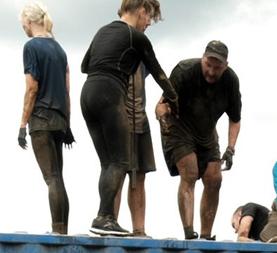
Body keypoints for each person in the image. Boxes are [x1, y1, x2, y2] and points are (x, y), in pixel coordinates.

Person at [81, 0, 176, 237]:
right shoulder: (136, 37)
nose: (148, 23)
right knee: (121, 161)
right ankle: (104, 217)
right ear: (142, 10)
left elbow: (84, 65)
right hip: (110, 93)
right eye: (149, 17)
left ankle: (104, 218)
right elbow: (159, 73)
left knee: (107, 162)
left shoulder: (102, 31)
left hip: (88, 94)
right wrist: (174, 98)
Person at [160, 40, 241, 239]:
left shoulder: (230, 81)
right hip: (179, 126)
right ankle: (189, 233)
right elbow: (161, 105)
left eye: (217, 68)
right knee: (190, 171)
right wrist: (161, 115)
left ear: (225, 66)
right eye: (208, 65)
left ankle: (206, 236)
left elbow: (235, 119)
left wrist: (230, 149)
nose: (211, 72)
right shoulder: (184, 70)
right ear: (202, 59)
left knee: (215, 178)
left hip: (207, 131)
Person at [18, 3, 74, 235]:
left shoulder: (31, 47)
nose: (23, 28)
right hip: (60, 119)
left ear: (29, 21)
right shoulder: (59, 50)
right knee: (58, 178)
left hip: (41, 118)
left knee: (51, 178)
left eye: (23, 24)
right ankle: (63, 229)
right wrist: (68, 124)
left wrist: (22, 124)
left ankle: (57, 232)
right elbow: (67, 90)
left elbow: (32, 89)